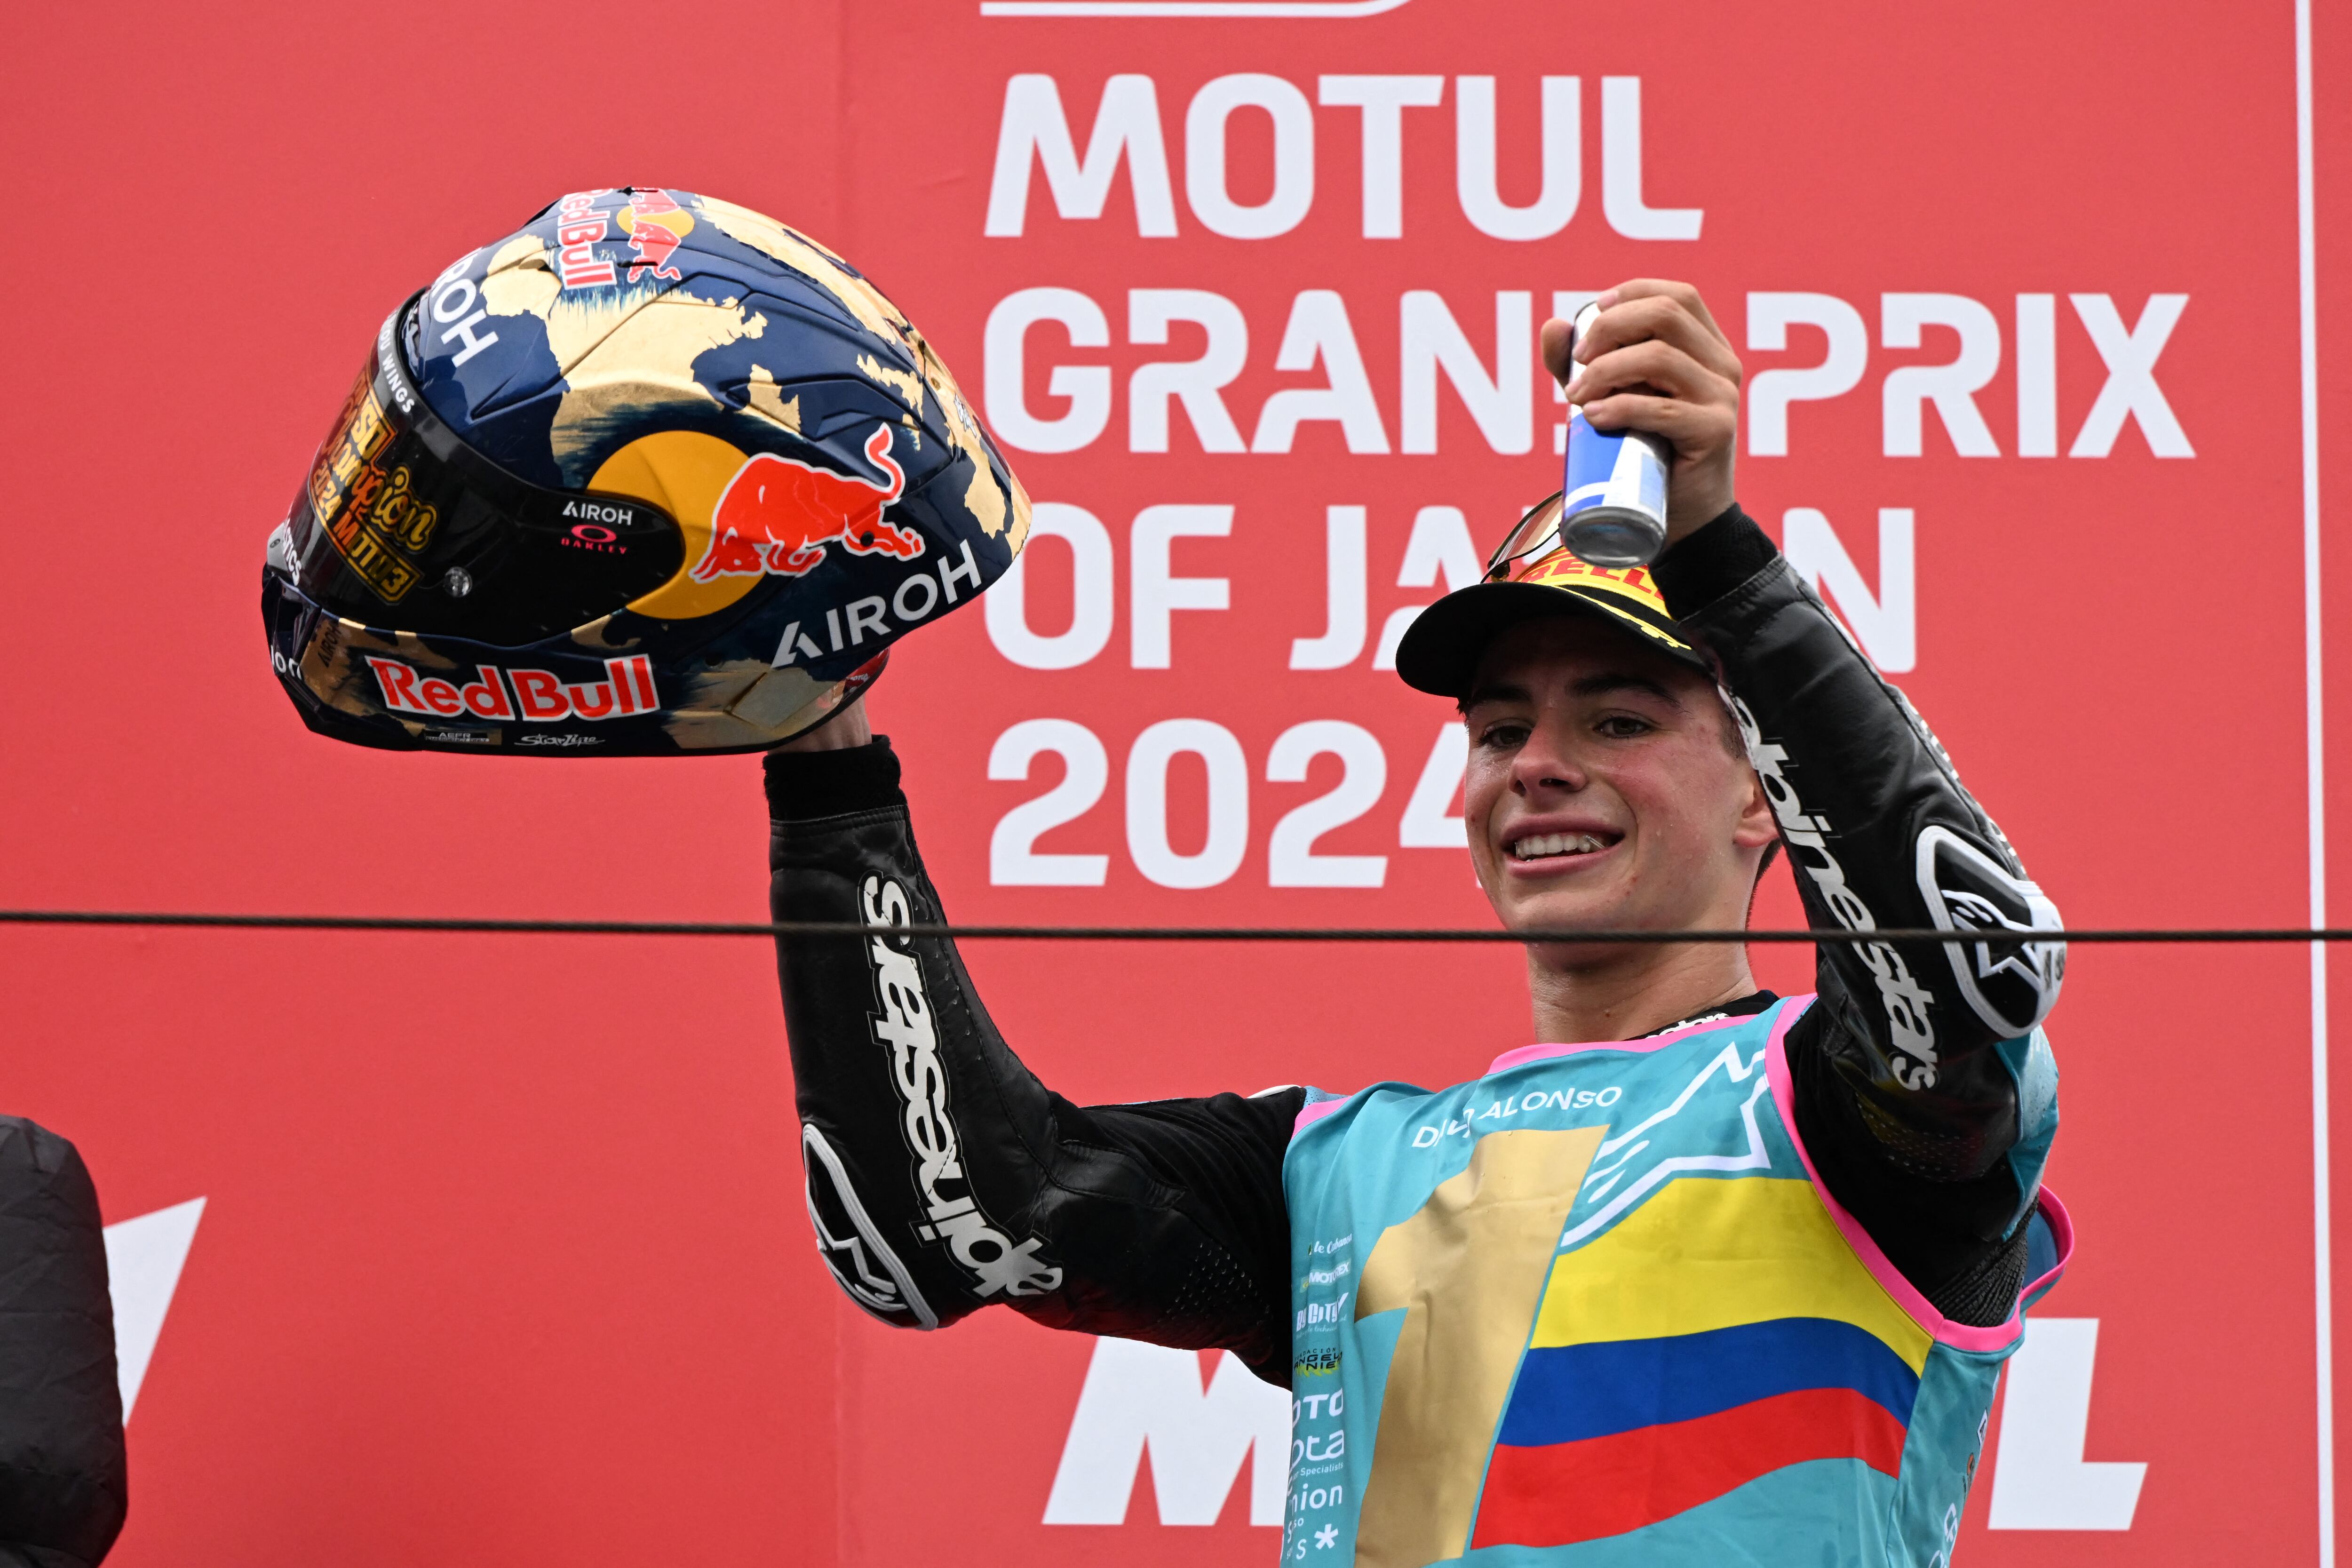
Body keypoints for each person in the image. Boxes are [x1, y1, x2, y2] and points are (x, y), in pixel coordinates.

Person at [763, 280, 2069, 1567]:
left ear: (1762, 797)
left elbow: (1963, 977)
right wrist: (825, 739)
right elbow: (941, 1225)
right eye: (1501, 731)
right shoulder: (1330, 1172)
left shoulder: (1846, 1116)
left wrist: (1721, 552)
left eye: (1617, 720)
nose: (1538, 766)